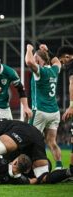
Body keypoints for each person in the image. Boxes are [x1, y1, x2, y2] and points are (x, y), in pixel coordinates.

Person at [25, 44, 63, 169]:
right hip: (54, 112)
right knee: (52, 142)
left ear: (37, 59)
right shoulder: (54, 70)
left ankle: (31, 167)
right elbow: (57, 61)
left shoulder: (40, 72)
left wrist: (29, 49)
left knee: (28, 140)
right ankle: (59, 167)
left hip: (40, 111)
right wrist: (47, 51)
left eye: (35, 57)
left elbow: (29, 61)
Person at [57, 45, 73, 174]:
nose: (62, 64)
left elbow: (72, 84)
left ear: (68, 57)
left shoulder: (71, 67)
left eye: (62, 61)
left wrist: (71, 105)